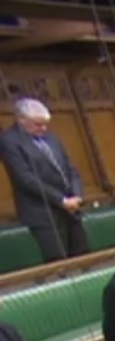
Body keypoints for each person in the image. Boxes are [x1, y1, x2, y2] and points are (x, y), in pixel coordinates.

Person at [0, 98, 89, 261]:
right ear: (21, 120)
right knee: (59, 262)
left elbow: (69, 168)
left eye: (45, 124)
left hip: (70, 209)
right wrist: (61, 200)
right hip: (42, 213)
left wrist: (77, 195)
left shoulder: (51, 138)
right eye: (38, 124)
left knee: (84, 258)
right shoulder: (9, 141)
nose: (44, 128)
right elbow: (26, 179)